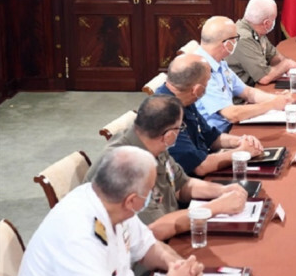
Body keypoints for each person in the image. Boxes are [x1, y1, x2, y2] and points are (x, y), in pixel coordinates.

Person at [18, 146, 204, 276]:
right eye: (150, 191)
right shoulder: (78, 237)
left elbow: (147, 246)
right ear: (131, 200)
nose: (154, 196)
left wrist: (178, 265)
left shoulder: (113, 202)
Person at [85, 95, 247, 241]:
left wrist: (221, 191)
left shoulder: (152, 141)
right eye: (180, 128)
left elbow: (181, 184)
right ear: (169, 135)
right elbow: (154, 229)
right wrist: (215, 208)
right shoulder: (125, 165)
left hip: (168, 232)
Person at [155, 53, 264, 176]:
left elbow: (211, 137)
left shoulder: (184, 97)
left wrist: (241, 141)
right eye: (207, 83)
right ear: (196, 90)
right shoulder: (165, 115)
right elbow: (199, 167)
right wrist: (242, 152)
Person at [195, 16, 294, 133]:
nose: (237, 42)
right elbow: (231, 114)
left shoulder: (219, 62)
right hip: (216, 137)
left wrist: (279, 99)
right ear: (227, 44)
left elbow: (247, 92)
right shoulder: (200, 70)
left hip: (229, 129)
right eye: (236, 38)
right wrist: (271, 105)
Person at [226, 0, 296, 86]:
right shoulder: (243, 38)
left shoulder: (256, 30)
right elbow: (264, 78)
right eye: (274, 19)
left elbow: (273, 56)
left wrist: (285, 65)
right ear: (267, 23)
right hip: (239, 97)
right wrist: (287, 65)